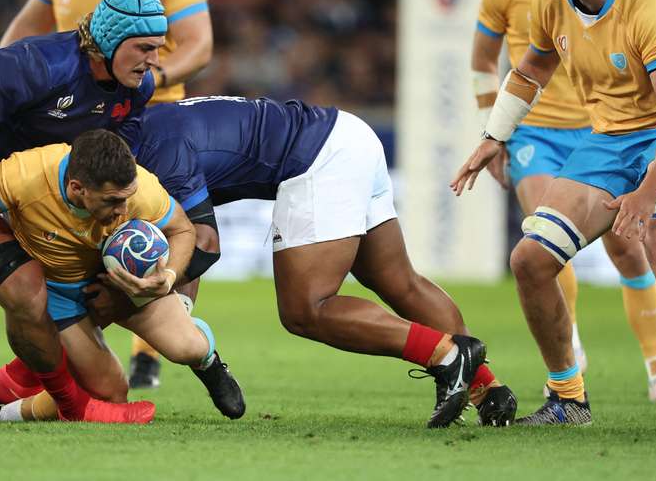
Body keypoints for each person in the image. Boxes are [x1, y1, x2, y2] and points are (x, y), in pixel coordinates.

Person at [452, 0, 656, 431]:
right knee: (529, 259)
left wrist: (645, 197)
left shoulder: (652, 7)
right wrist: (493, 137)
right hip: (609, 139)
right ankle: (568, 398)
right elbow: (529, 70)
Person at [110, 95, 517, 428]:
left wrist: (165, 299)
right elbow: (185, 233)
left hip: (316, 160)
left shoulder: (156, 155)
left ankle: (447, 355)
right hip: (348, 134)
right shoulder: (150, 129)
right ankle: (486, 387)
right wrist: (180, 312)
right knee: (399, 282)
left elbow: (203, 241)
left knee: (306, 309)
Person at [0, 0, 214, 390]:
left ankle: (152, 349)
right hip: (80, 121)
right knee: (79, 240)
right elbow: (31, 19)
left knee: (167, 227)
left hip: (152, 115)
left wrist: (148, 80)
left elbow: (200, 44)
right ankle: (62, 347)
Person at [0, 0, 166, 423]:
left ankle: (9, 388)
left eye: (159, 48)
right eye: (144, 47)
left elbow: (117, 172)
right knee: (27, 294)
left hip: (39, 202)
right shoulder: (36, 65)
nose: (155, 60)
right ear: (109, 40)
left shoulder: (135, 90)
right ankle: (73, 409)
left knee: (108, 371)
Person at [0, 130, 244, 422]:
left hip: (124, 284)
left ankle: (210, 365)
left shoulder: (141, 188)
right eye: (111, 200)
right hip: (60, 294)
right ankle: (3, 415)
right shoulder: (25, 175)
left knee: (188, 348)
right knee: (110, 393)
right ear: (76, 187)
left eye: (126, 198)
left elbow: (183, 230)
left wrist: (168, 278)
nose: (122, 210)